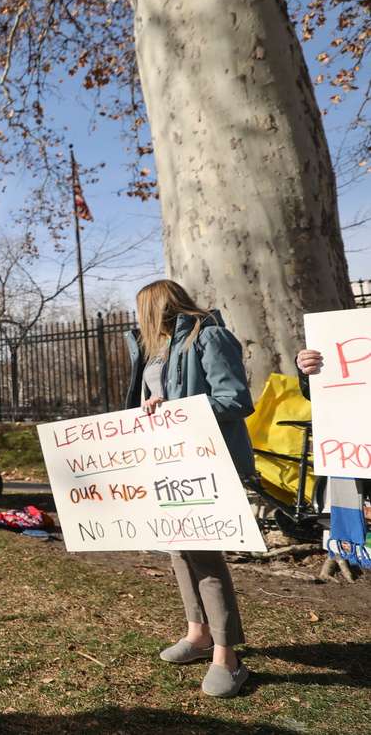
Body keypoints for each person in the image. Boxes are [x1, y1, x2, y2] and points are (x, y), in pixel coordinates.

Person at [127, 279, 253, 699]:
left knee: (204, 555)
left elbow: (234, 399)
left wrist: (175, 411)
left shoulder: (210, 336)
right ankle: (198, 635)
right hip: (169, 461)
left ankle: (226, 656)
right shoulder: (157, 348)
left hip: (206, 461)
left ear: (157, 307)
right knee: (179, 550)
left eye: (142, 308)